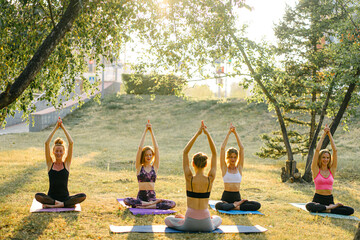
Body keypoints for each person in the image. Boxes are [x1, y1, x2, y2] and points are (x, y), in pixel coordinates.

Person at [165, 121, 222, 232]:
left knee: (168, 219)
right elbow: (214, 153)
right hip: (207, 225)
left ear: (193, 164)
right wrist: (207, 134)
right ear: (206, 164)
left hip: (189, 223)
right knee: (218, 219)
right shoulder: (210, 179)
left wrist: (197, 133)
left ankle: (183, 219)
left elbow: (185, 152)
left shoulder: (189, 178)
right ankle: (206, 220)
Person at [35, 118, 86, 208]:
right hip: (51, 198)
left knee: (83, 196)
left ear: (63, 152)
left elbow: (71, 143)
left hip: (65, 198)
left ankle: (57, 205)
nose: (58, 153)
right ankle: (59, 204)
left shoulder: (66, 164)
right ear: (53, 152)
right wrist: (56, 127)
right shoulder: (50, 163)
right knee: (38, 196)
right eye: (57, 151)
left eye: (60, 151)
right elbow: (47, 143)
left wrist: (62, 127)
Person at [123, 121, 175, 209]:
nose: (149, 157)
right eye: (146, 155)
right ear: (143, 156)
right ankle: (151, 205)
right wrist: (145, 131)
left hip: (152, 198)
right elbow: (139, 149)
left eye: (150, 155)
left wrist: (151, 132)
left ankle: (145, 206)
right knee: (126, 200)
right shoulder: (139, 167)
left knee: (172, 203)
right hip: (141, 198)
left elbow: (157, 148)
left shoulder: (154, 167)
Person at [305, 125, 354, 215]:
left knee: (350, 210)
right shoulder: (316, 169)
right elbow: (317, 150)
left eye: (328, 158)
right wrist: (324, 134)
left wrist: (329, 134)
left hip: (329, 199)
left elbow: (335, 151)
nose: (326, 159)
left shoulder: (332, 170)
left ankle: (326, 208)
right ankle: (331, 208)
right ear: (320, 159)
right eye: (323, 157)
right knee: (309, 205)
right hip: (318, 199)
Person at [215, 124, 261, 211]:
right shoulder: (225, 168)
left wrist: (235, 133)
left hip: (237, 197)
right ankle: (237, 206)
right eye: (231, 157)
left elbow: (242, 148)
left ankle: (235, 205)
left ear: (237, 158)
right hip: (226, 197)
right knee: (218, 205)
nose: (233, 159)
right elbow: (222, 148)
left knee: (257, 205)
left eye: (235, 157)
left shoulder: (239, 168)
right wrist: (229, 133)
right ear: (228, 157)